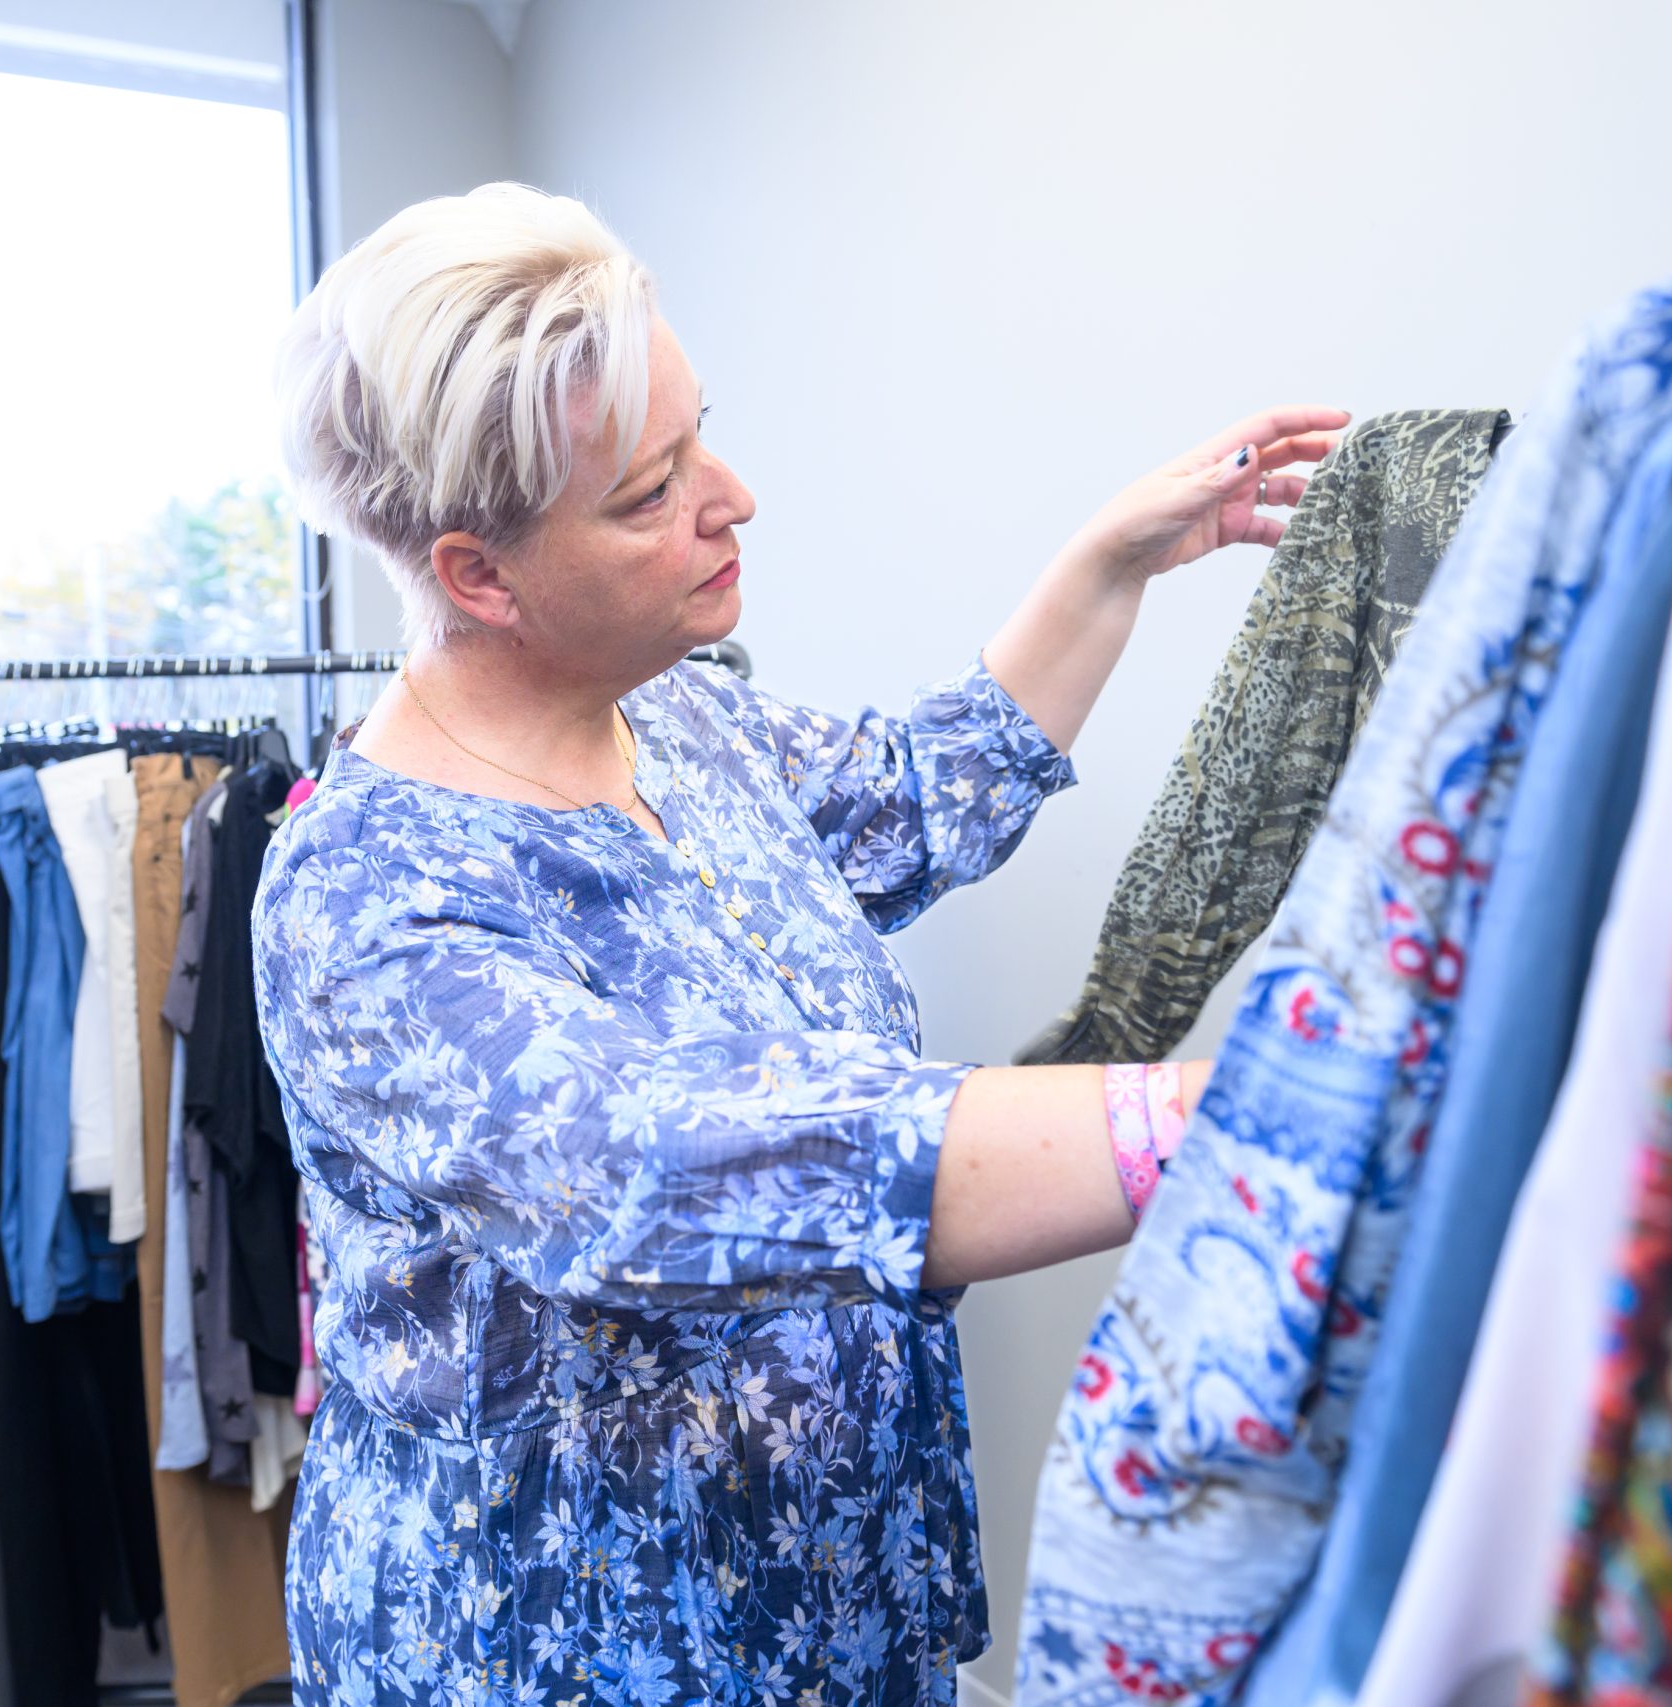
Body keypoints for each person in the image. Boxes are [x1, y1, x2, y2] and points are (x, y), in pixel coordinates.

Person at [253, 181, 1345, 1704]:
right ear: (478, 574)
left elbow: (918, 794)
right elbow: (672, 1168)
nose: (734, 496)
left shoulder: (680, 720)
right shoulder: (367, 899)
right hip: (575, 1655)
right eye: (651, 491)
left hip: (836, 1619)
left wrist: (1112, 562)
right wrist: (1258, 1113)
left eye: (702, 431)